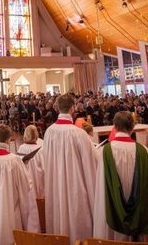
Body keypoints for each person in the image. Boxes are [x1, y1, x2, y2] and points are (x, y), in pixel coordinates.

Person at [41, 94, 97, 243]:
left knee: (59, 218)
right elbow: (91, 163)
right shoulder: (78, 134)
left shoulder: (49, 132)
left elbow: (46, 161)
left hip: (56, 185)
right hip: (75, 186)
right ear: (72, 109)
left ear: (58, 108)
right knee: (77, 219)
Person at [93, 112, 148, 242]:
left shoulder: (104, 151)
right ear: (132, 127)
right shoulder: (144, 151)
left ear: (114, 126)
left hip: (113, 214)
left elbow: (101, 185)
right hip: (139, 212)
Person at [0, 125, 39, 245]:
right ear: (8, 140)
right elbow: (26, 185)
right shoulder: (14, 160)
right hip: (9, 208)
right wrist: (24, 166)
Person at [17, 124, 44, 199]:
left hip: (25, 183)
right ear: (36, 135)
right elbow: (45, 167)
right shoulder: (41, 149)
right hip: (38, 181)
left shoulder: (21, 148)